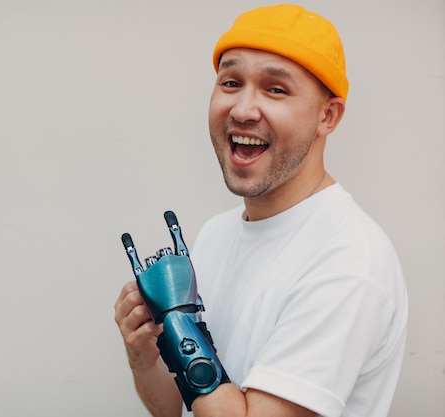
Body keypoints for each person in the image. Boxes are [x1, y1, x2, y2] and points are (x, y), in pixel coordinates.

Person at [114, 4, 408, 417]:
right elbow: (178, 409)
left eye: (276, 89)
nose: (243, 110)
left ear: (328, 115)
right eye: (231, 82)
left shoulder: (349, 261)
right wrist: (145, 351)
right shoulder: (215, 235)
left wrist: (178, 328)